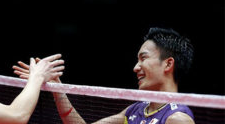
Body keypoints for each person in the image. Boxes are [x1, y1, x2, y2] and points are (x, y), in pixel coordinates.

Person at [13, 27, 195, 124]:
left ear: (168, 64)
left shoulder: (177, 119)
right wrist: (57, 87)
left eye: (143, 58)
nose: (135, 67)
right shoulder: (135, 111)